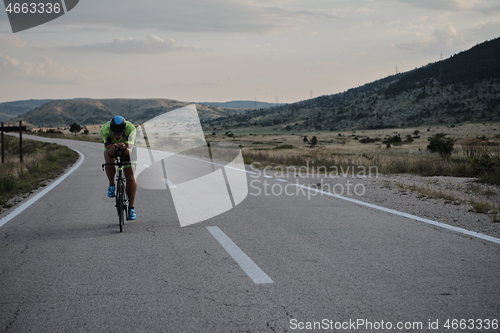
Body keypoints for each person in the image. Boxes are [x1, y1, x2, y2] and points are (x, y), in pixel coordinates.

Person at [101, 115, 137, 220]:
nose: (117, 136)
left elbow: (130, 151)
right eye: (115, 133)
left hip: (128, 147)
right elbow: (109, 150)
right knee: (109, 159)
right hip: (111, 147)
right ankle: (112, 185)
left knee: (129, 176)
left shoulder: (131, 129)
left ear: (124, 130)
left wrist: (124, 147)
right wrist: (115, 148)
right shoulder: (105, 129)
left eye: (120, 133)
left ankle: (131, 208)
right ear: (111, 129)